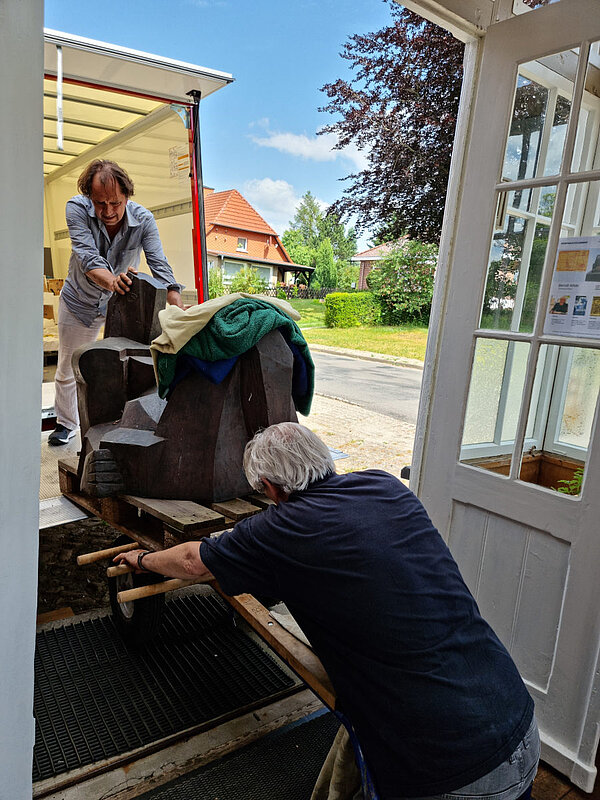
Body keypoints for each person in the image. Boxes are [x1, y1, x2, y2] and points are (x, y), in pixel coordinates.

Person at [115, 423, 539, 800]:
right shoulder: (383, 486)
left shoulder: (280, 530)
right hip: (517, 721)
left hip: (449, 772)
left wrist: (141, 561)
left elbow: (192, 561)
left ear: (271, 489)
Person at [48, 159, 184, 446]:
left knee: (124, 365)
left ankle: (120, 423)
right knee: (68, 366)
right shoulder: (76, 208)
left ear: (127, 196)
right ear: (89, 196)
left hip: (119, 305)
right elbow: (86, 256)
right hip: (80, 302)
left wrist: (174, 296)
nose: (108, 211)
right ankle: (66, 423)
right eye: (100, 203)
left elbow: (158, 262)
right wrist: (112, 281)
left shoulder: (144, 219)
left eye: (115, 203)